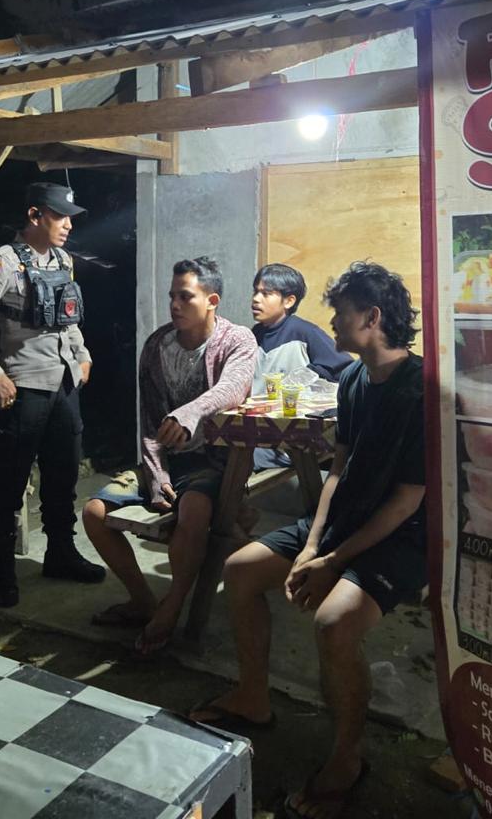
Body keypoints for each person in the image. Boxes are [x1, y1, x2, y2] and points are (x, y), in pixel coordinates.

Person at [190, 261, 427, 819]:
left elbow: (407, 500)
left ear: (371, 317)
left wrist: (334, 560)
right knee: (240, 569)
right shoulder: (354, 379)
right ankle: (253, 697)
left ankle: (347, 757)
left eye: (340, 312)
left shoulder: (420, 390)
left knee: (332, 622)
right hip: (344, 523)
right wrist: (313, 544)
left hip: (399, 536)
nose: (333, 322)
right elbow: (338, 469)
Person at [82, 257, 257, 654]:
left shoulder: (237, 340)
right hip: (165, 461)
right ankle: (143, 600)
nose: (175, 305)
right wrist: (157, 474)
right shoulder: (158, 344)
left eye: (185, 297)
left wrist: (190, 412)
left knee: (194, 512)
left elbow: (233, 387)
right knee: (94, 513)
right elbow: (149, 420)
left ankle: (171, 608)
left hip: (211, 461)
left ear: (211, 300)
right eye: (171, 296)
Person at [0, 181, 105, 607]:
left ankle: (60, 553)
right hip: (24, 388)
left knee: (63, 475)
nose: (68, 225)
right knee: (10, 480)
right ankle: (1, 568)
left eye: (71, 217)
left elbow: (68, 318)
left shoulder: (62, 260)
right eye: (60, 216)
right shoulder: (3, 262)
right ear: (35, 215)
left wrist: (83, 355)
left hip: (65, 384)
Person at [250, 263, 352, 470]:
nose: (256, 299)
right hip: (258, 427)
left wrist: (311, 374)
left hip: (292, 439)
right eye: (255, 292)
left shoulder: (305, 332)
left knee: (241, 457)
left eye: (266, 294)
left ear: (289, 301)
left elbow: (346, 368)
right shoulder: (254, 334)